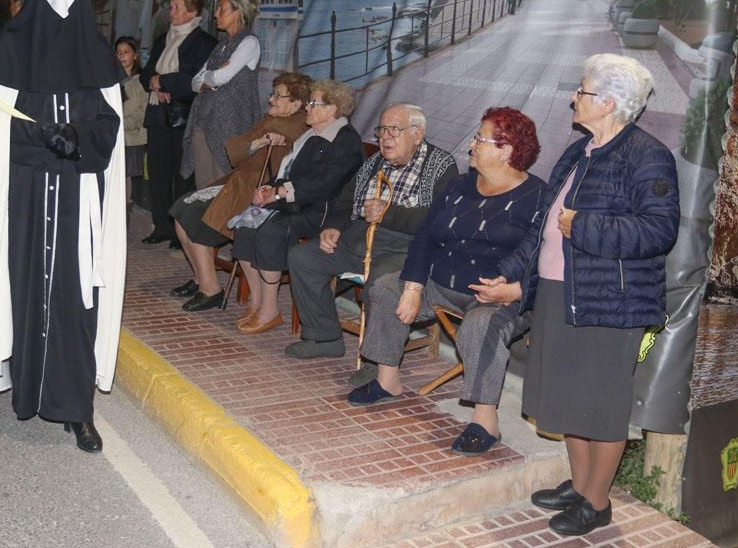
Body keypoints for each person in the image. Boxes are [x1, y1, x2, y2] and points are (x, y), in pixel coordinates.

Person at [473, 54, 679, 536]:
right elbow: (542, 228)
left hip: (611, 304)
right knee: (568, 398)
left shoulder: (647, 155)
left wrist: (583, 225)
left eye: (581, 92)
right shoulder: (579, 151)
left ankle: (597, 500)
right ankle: (581, 484)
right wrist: (513, 277)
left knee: (600, 404)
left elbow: (658, 231)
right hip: (560, 295)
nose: (573, 97)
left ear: (607, 103)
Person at [0, 0, 127, 455]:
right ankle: (29, 392)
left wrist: (76, 140)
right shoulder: (8, 51)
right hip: (27, 200)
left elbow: (109, 133)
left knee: (75, 304)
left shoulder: (98, 53)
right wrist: (42, 143)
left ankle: (75, 408)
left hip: (81, 200)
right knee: (28, 290)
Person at [356, 108, 543, 423]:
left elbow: (542, 254)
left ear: (506, 150)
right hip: (440, 282)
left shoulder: (537, 196)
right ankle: (388, 381)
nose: (471, 146)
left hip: (496, 294)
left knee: (482, 324)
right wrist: (414, 288)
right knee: (388, 287)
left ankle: (485, 420)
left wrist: (515, 289)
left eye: (479, 139)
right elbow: (425, 237)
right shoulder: (459, 186)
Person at [282, 103, 458, 358]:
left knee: (380, 284)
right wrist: (334, 227)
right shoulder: (376, 162)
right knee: (303, 257)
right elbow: (344, 202)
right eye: (382, 130)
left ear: (417, 134)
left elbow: (439, 221)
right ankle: (324, 338)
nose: (384, 137)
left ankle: (375, 361)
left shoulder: (441, 166)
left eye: (394, 130)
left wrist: (388, 212)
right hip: (359, 239)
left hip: (406, 247)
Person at [169, 72, 311, 311]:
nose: (271, 99)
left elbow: (246, 152)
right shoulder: (274, 122)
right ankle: (200, 278)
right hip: (240, 181)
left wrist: (257, 143)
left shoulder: (292, 127)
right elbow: (237, 147)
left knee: (194, 217)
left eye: (278, 95)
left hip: (253, 189)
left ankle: (210, 288)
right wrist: (258, 142)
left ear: (296, 103)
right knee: (182, 208)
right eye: (272, 93)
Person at [229, 79, 364, 330]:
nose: (308, 108)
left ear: (332, 109)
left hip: (321, 212)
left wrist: (278, 193)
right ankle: (257, 303)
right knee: (245, 224)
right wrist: (268, 188)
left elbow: (324, 185)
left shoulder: (345, 141)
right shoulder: (310, 135)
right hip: (295, 203)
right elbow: (288, 171)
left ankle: (270, 311)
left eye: (314, 103)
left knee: (272, 231)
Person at [139, 0, 217, 248]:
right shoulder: (163, 38)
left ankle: (179, 231)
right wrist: (154, 82)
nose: (170, 11)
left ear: (192, 12)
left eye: (175, 7)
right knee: (158, 174)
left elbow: (196, 79)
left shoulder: (205, 43)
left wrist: (165, 82)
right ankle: (161, 226)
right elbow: (145, 72)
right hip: (157, 114)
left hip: (183, 117)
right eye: (170, 6)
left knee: (182, 177)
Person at [182, 0, 261, 189]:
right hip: (204, 122)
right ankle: (204, 222)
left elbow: (220, 77)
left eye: (221, 8)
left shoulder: (250, 43)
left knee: (223, 188)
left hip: (230, 127)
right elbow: (195, 83)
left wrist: (211, 77)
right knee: (204, 188)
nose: (216, 14)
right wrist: (213, 77)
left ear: (237, 12)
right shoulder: (221, 46)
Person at [116, 35, 146, 218]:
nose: (122, 56)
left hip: (131, 137)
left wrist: (123, 123)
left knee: (126, 178)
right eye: (118, 52)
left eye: (126, 52)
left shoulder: (139, 81)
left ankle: (124, 213)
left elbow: (141, 111)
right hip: (115, 136)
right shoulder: (111, 80)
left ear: (134, 55)